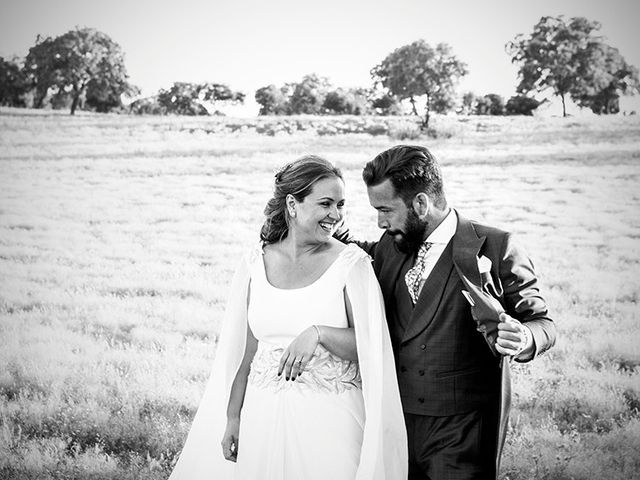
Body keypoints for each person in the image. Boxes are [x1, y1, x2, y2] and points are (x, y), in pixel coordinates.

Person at [169, 155, 407, 480]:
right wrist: (233, 419)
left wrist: (319, 332)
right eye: (325, 203)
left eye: (341, 204)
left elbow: (372, 347)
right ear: (293, 204)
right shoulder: (256, 262)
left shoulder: (352, 265)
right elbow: (245, 353)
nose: (335, 215)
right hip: (261, 418)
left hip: (331, 424)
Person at [356, 145, 556, 480]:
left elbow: (543, 323)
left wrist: (524, 337)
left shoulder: (496, 245)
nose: (380, 221)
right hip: (395, 425)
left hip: (462, 432)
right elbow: (350, 250)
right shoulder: (391, 244)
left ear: (421, 203)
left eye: (386, 210)